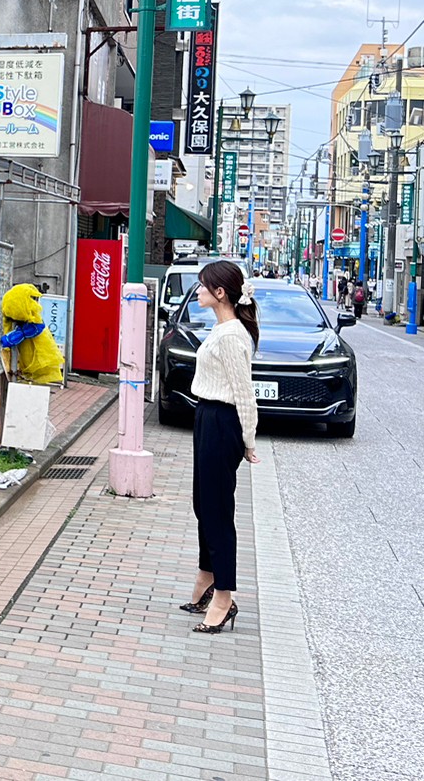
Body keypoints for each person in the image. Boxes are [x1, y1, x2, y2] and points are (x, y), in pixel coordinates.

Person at [179, 260, 260, 634]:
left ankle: (224, 595)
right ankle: (206, 578)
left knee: (217, 511)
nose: (197, 291)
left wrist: (248, 439)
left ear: (220, 293)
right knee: (203, 503)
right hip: (207, 418)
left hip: (222, 421)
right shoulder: (224, 329)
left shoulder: (231, 336)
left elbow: (244, 392)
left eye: (202, 286)